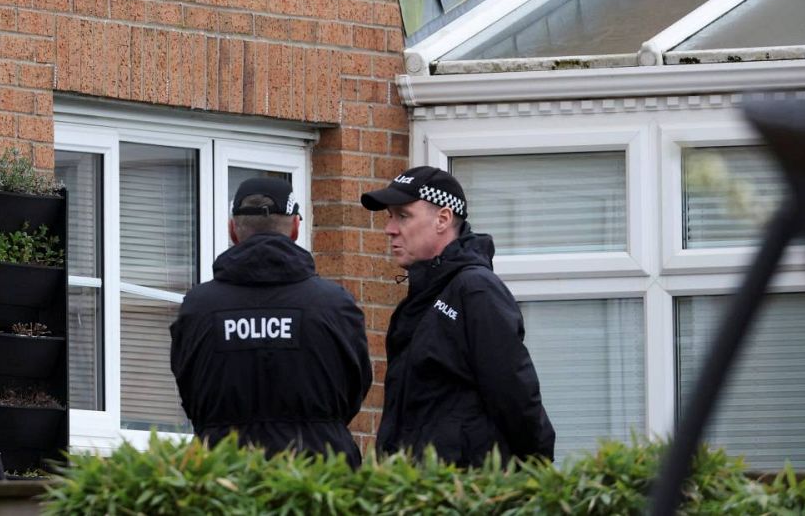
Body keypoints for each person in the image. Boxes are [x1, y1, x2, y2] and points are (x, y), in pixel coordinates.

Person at [170, 177, 372, 464]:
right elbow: (356, 386)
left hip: (221, 474)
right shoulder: (333, 304)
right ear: (295, 229)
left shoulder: (199, 308)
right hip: (320, 473)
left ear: (233, 230)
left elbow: (189, 389)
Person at [364, 165, 555, 466]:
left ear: (443, 219)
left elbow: (515, 395)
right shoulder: (426, 294)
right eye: (389, 216)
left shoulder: (475, 290)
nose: (389, 228)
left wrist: (536, 470)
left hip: (462, 489)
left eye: (403, 215)